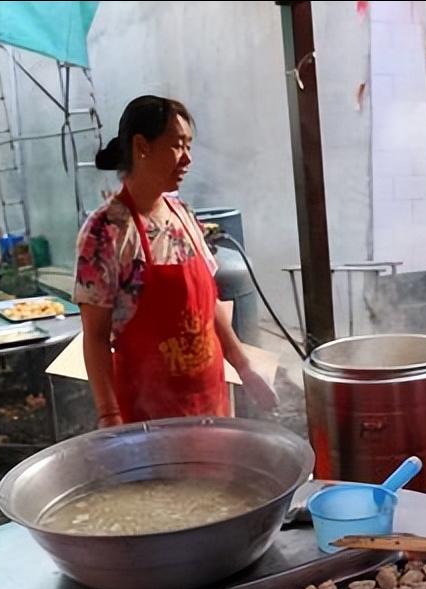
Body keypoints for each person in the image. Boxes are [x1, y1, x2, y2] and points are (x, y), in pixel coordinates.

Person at [74, 95, 277, 427]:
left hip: (210, 403)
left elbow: (209, 306)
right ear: (142, 146)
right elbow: (95, 337)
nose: (188, 159)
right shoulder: (105, 232)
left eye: (189, 146)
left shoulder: (183, 217)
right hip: (147, 416)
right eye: (178, 145)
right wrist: (109, 413)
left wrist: (243, 364)